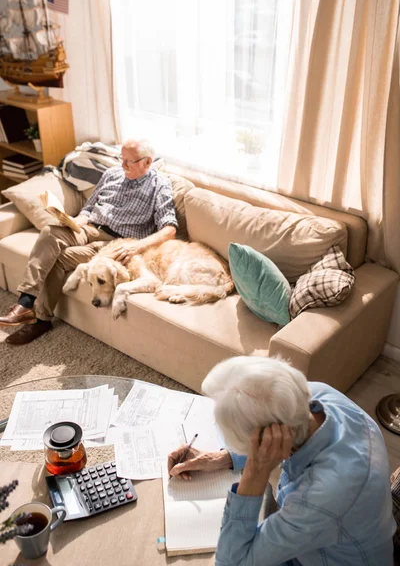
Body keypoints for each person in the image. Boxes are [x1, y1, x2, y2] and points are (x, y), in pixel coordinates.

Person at [168, 356, 395, 565]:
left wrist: (255, 472)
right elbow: (279, 422)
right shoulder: (320, 397)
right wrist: (223, 457)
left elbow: (231, 563)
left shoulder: (322, 496)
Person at [0, 138, 178, 344]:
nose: (123, 165)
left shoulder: (160, 185)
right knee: (50, 232)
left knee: (60, 258)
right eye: (122, 159)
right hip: (89, 228)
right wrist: (75, 221)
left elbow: (169, 229)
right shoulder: (112, 174)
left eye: (129, 161)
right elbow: (89, 207)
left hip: (115, 242)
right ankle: (25, 303)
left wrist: (137, 246)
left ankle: (41, 320)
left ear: (147, 162)